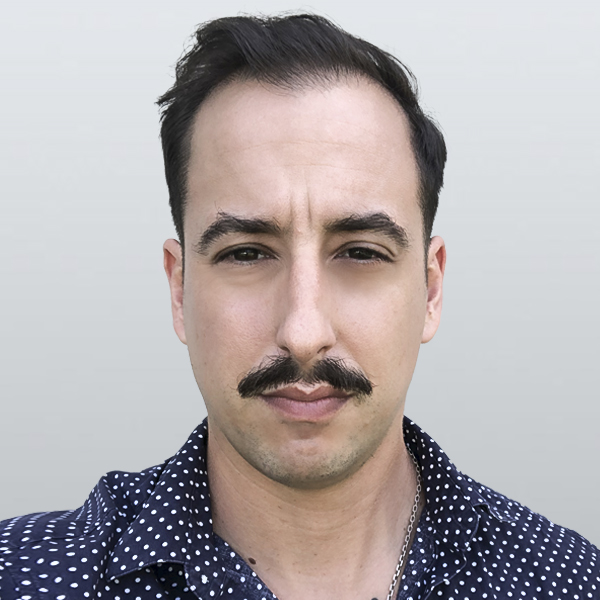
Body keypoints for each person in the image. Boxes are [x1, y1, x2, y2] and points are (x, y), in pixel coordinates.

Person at [0, 12, 598, 600]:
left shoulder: (569, 582)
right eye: (245, 254)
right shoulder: (23, 577)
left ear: (431, 289)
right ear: (180, 289)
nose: (304, 331)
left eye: (360, 253)